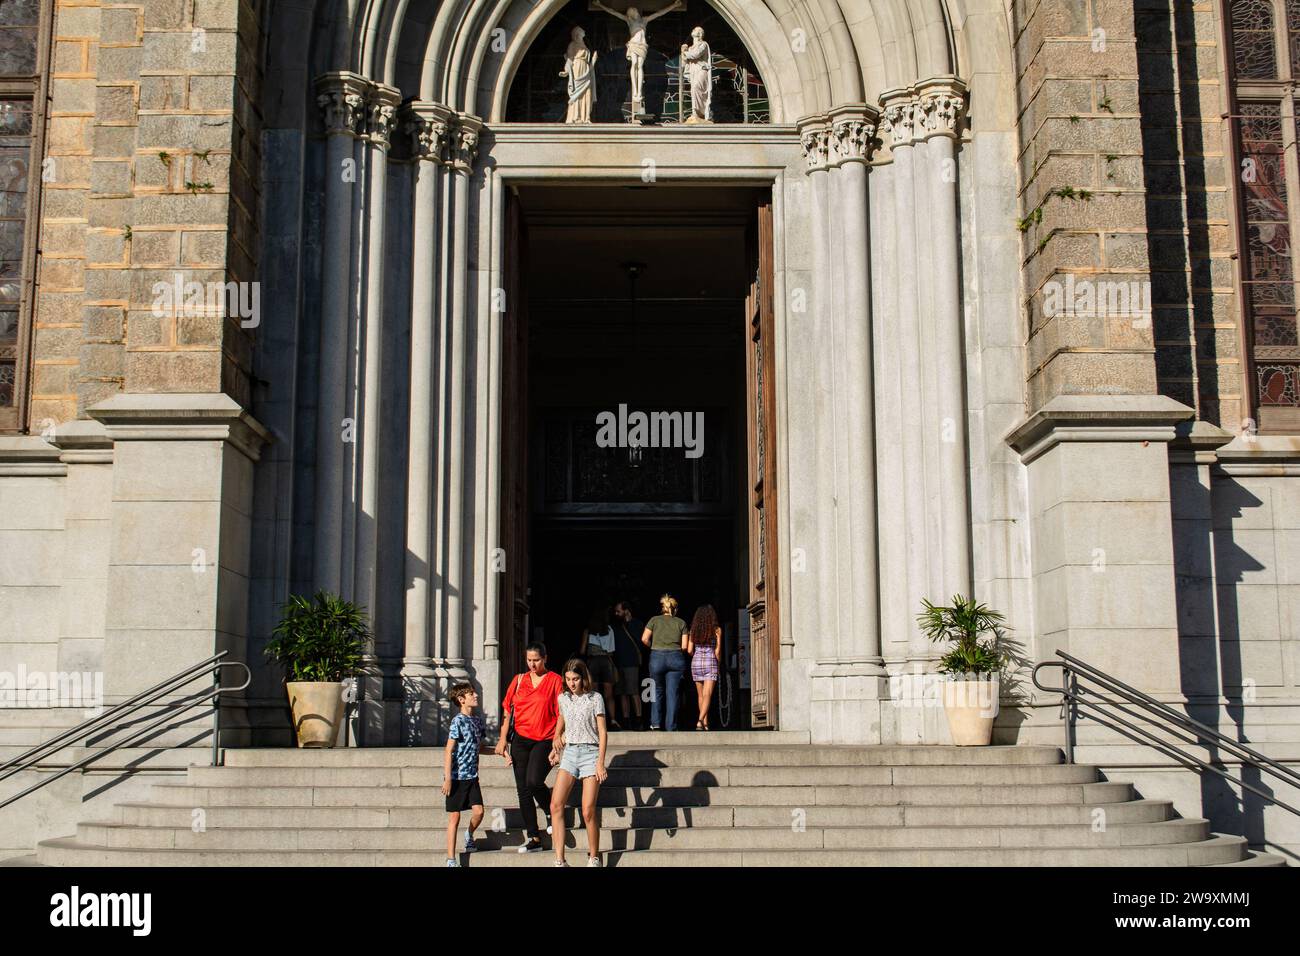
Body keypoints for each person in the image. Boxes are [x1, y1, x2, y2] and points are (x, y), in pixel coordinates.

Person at [496, 642, 564, 853]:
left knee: (534, 781)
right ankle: (533, 837)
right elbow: (508, 711)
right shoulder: (518, 680)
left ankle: (550, 809)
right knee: (523, 790)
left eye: (536, 660)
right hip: (520, 739)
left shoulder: (555, 680)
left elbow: (562, 712)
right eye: (529, 660)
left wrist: (558, 737)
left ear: (545, 658)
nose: (532, 664)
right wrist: (502, 738)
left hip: (545, 738)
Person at [549, 659, 609, 867]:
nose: (571, 683)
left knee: (587, 810)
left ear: (583, 678)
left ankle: (593, 857)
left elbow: (602, 731)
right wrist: (556, 742)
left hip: (590, 752)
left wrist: (600, 762)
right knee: (555, 805)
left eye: (575, 679)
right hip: (570, 752)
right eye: (568, 679)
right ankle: (560, 860)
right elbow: (562, 719)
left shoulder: (595, 698)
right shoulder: (563, 698)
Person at [594, 1, 684, 109]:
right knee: (634, 64)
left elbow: (659, 13)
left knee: (640, 66)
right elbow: (613, 12)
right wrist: (600, 5)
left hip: (642, 46)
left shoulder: (644, 20)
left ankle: (638, 92)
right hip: (633, 44)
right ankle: (635, 91)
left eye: (635, 11)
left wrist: (674, 5)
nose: (635, 12)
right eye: (633, 11)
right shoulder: (629, 21)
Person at [441, 682, 484, 866]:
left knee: (479, 812)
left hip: (472, 776)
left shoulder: (477, 721)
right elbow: (448, 749)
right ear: (461, 700)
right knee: (455, 817)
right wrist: (448, 779)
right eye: (471, 693)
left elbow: (479, 748)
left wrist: (500, 751)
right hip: (457, 777)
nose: (475, 695)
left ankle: (469, 834)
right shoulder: (457, 721)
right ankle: (451, 859)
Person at [642, 593, 689, 731]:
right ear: (675, 609)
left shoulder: (654, 620)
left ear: (662, 608)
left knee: (656, 691)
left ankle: (655, 723)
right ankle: (671, 727)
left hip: (657, 657)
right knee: (672, 693)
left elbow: (644, 638)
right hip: (676, 658)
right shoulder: (681, 623)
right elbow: (685, 646)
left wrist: (655, 646)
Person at [580, 606, 619, 729]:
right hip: (606, 662)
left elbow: (582, 650)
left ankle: (595, 722)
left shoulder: (588, 631)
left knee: (594, 694)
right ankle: (612, 720)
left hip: (593, 662)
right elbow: (612, 651)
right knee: (609, 694)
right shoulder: (609, 630)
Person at [687, 605, 722, 730]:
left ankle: (705, 724)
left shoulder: (693, 630)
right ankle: (700, 720)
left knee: (700, 695)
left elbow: (689, 650)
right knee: (708, 694)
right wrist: (719, 663)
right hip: (710, 662)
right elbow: (717, 652)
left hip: (696, 663)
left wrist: (697, 654)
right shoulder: (716, 630)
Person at [612, 600, 645, 729]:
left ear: (626, 611)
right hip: (619, 663)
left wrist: (629, 622)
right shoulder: (615, 626)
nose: (616, 613)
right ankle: (626, 720)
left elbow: (641, 641)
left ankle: (638, 719)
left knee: (633, 691)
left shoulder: (637, 624)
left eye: (618, 611)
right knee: (622, 693)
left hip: (632, 662)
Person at [560, 25, 597, 124]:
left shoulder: (584, 44)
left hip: (586, 69)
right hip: (577, 69)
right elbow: (569, 60)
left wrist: (593, 61)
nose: (583, 34)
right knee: (577, 93)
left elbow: (589, 65)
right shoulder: (572, 45)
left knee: (587, 93)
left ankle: (586, 117)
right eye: (581, 32)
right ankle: (576, 116)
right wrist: (566, 71)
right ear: (577, 34)